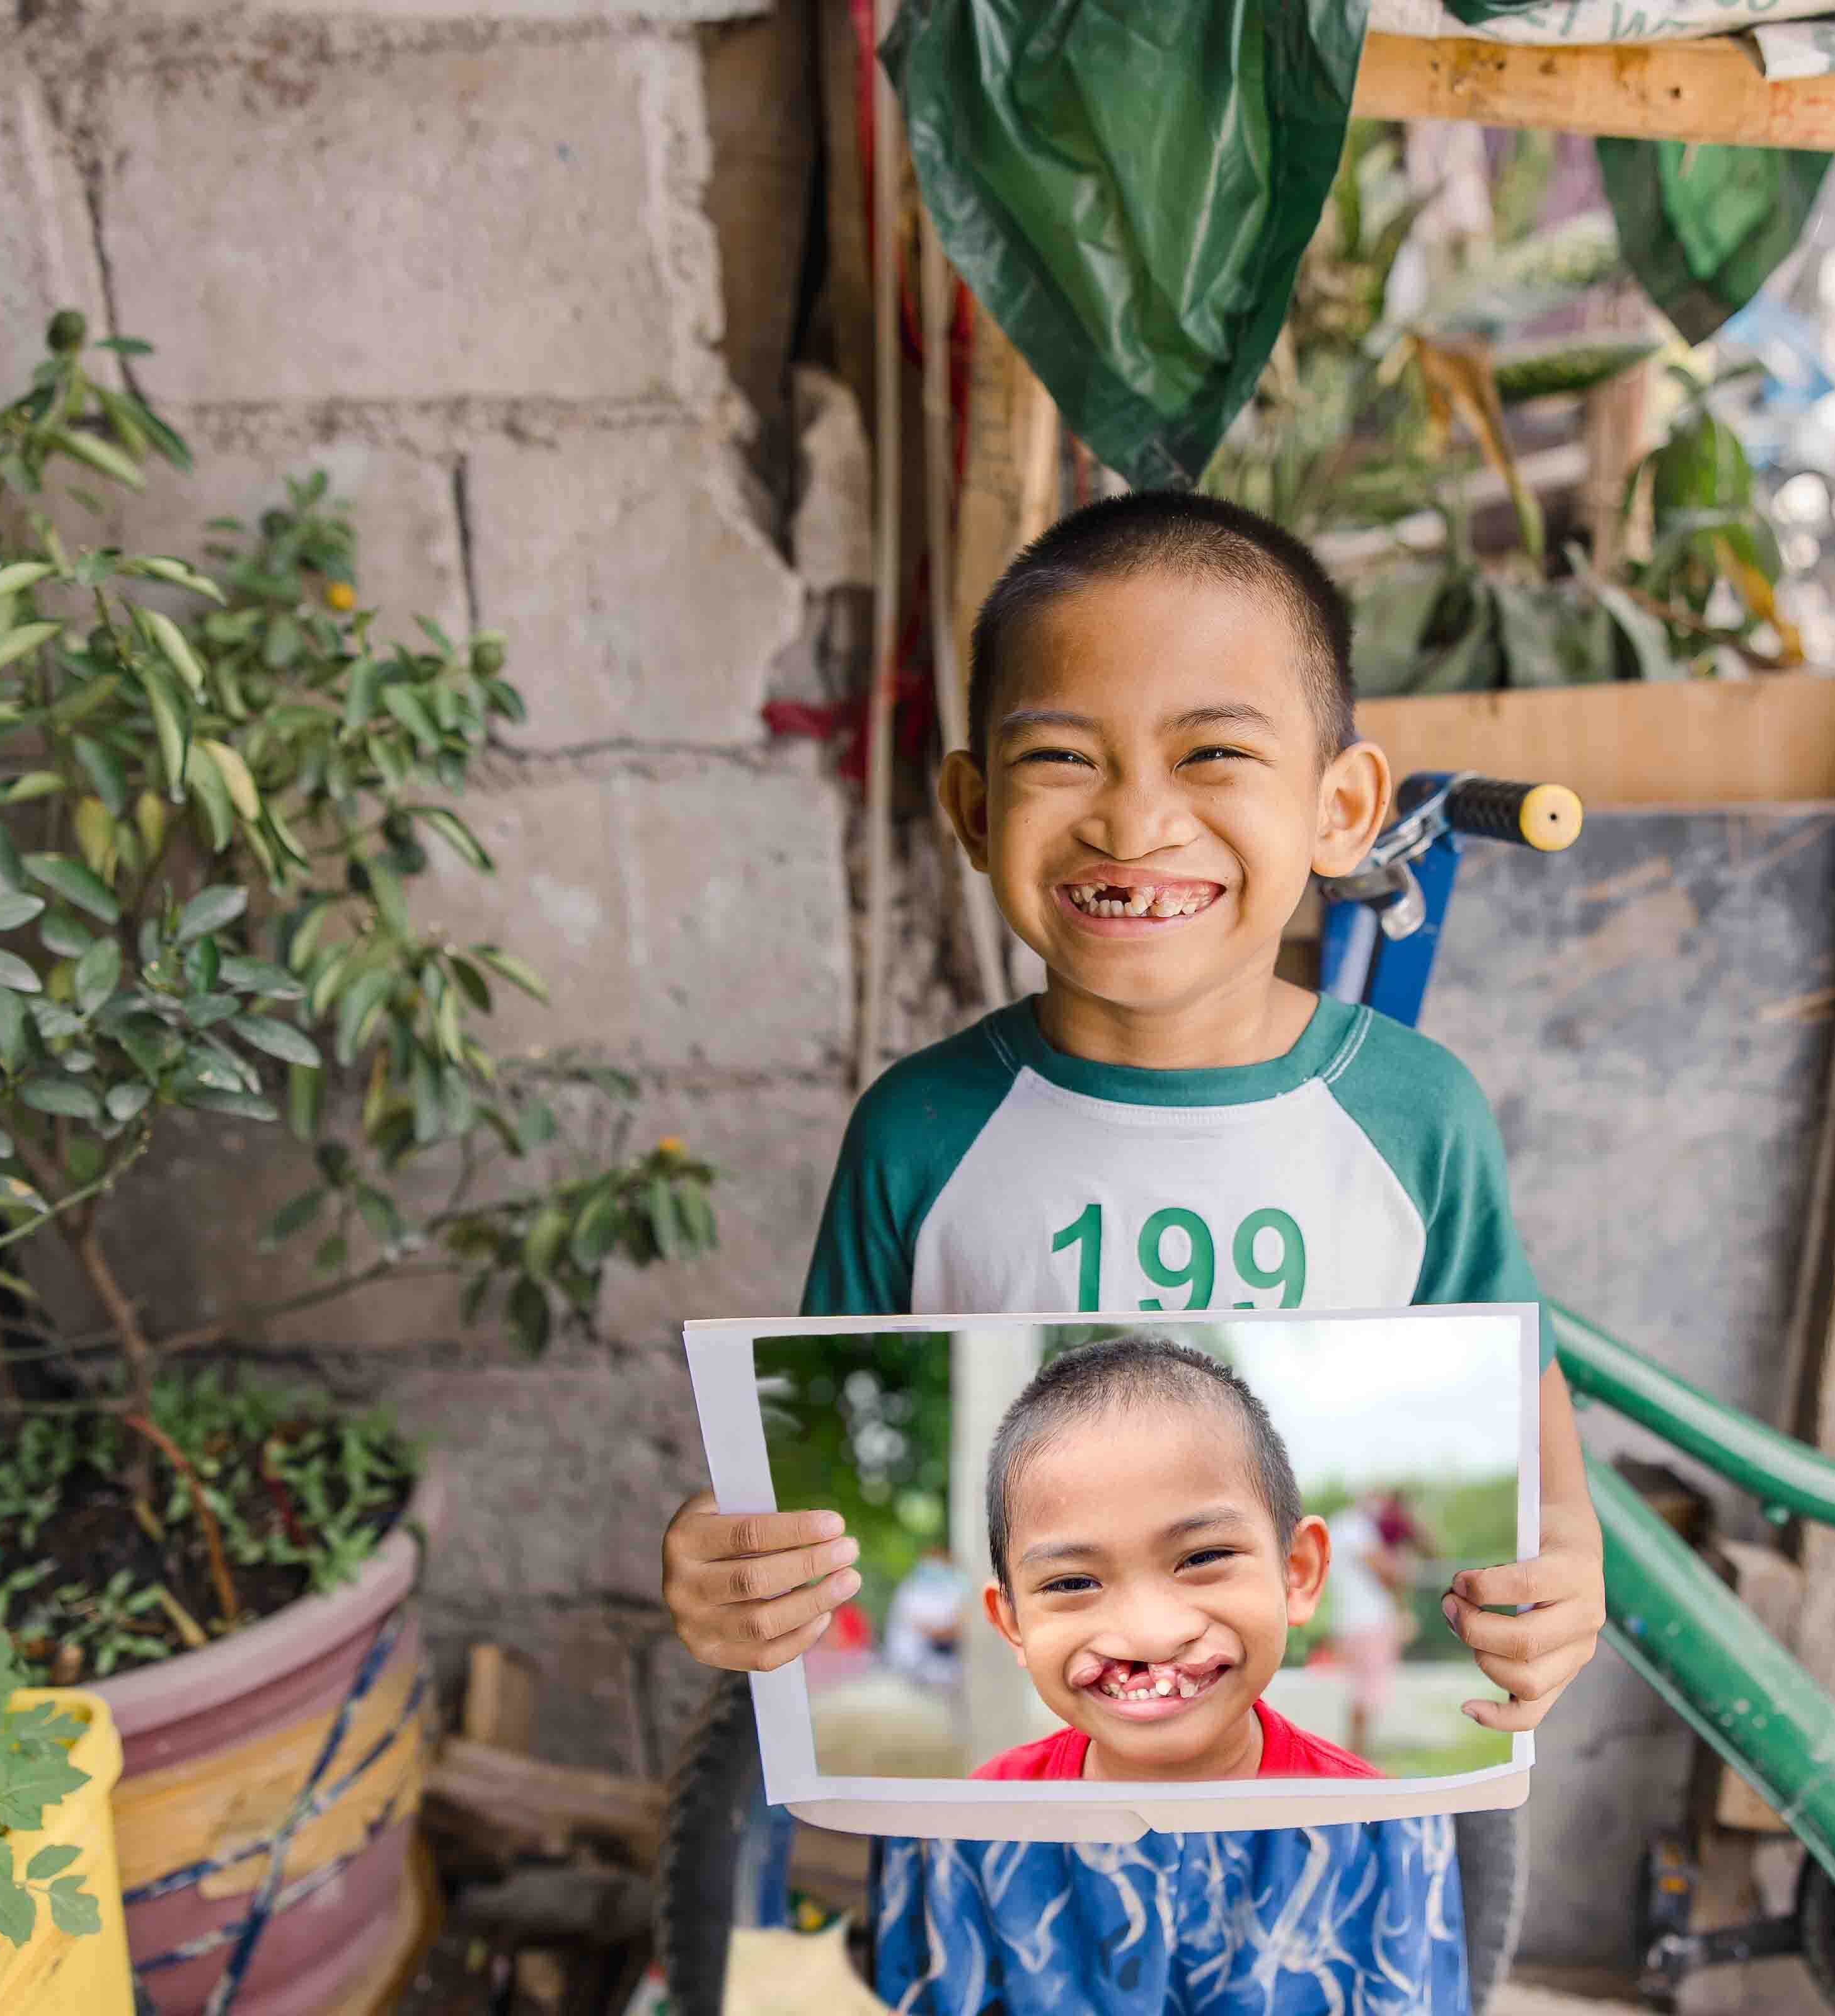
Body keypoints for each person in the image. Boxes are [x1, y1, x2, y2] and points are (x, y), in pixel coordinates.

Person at [659, 490, 1604, 2014]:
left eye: (1212, 752)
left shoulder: (1417, 1117)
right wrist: (729, 1574)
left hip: (1335, 1855)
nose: (1131, 818)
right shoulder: (917, 1130)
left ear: (1341, 807)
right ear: (970, 809)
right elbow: (799, 1474)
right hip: (1001, 1857)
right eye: (1059, 759)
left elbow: (1525, 1424)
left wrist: (1565, 1566)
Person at [970, 1334, 1377, 1782]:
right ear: (1014, 1625)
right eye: (1072, 1583)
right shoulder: (981, 1825)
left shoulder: (1373, 1829)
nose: (1151, 1637)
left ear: (1296, 1572)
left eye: (1204, 1558)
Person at [1323, 1489, 1413, 1763]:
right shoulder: (1356, 1527)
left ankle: (1356, 1754)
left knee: (1361, 1690)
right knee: (1366, 1691)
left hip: (1349, 1620)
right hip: (1368, 1621)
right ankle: (1356, 1756)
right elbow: (1388, 1572)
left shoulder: (1338, 1525)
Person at [881, 1544, 965, 1691]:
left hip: (935, 1661)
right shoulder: (912, 1590)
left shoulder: (945, 1590)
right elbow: (935, 1631)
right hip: (914, 1664)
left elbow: (957, 1623)